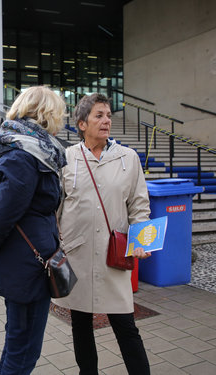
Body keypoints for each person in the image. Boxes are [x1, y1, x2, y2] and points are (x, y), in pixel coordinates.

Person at [0, 86, 67, 374]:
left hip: (24, 263)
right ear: (46, 115)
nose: (61, 121)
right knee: (23, 352)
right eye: (58, 114)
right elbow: (0, 215)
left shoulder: (24, 149)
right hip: (27, 269)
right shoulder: (24, 154)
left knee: (18, 344)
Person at [54, 93, 151, 374]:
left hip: (114, 256)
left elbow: (139, 205)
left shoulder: (128, 158)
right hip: (78, 255)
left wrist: (141, 240)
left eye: (108, 115)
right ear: (82, 123)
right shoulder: (67, 159)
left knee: (126, 326)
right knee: (81, 325)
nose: (106, 120)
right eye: (99, 115)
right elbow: (55, 207)